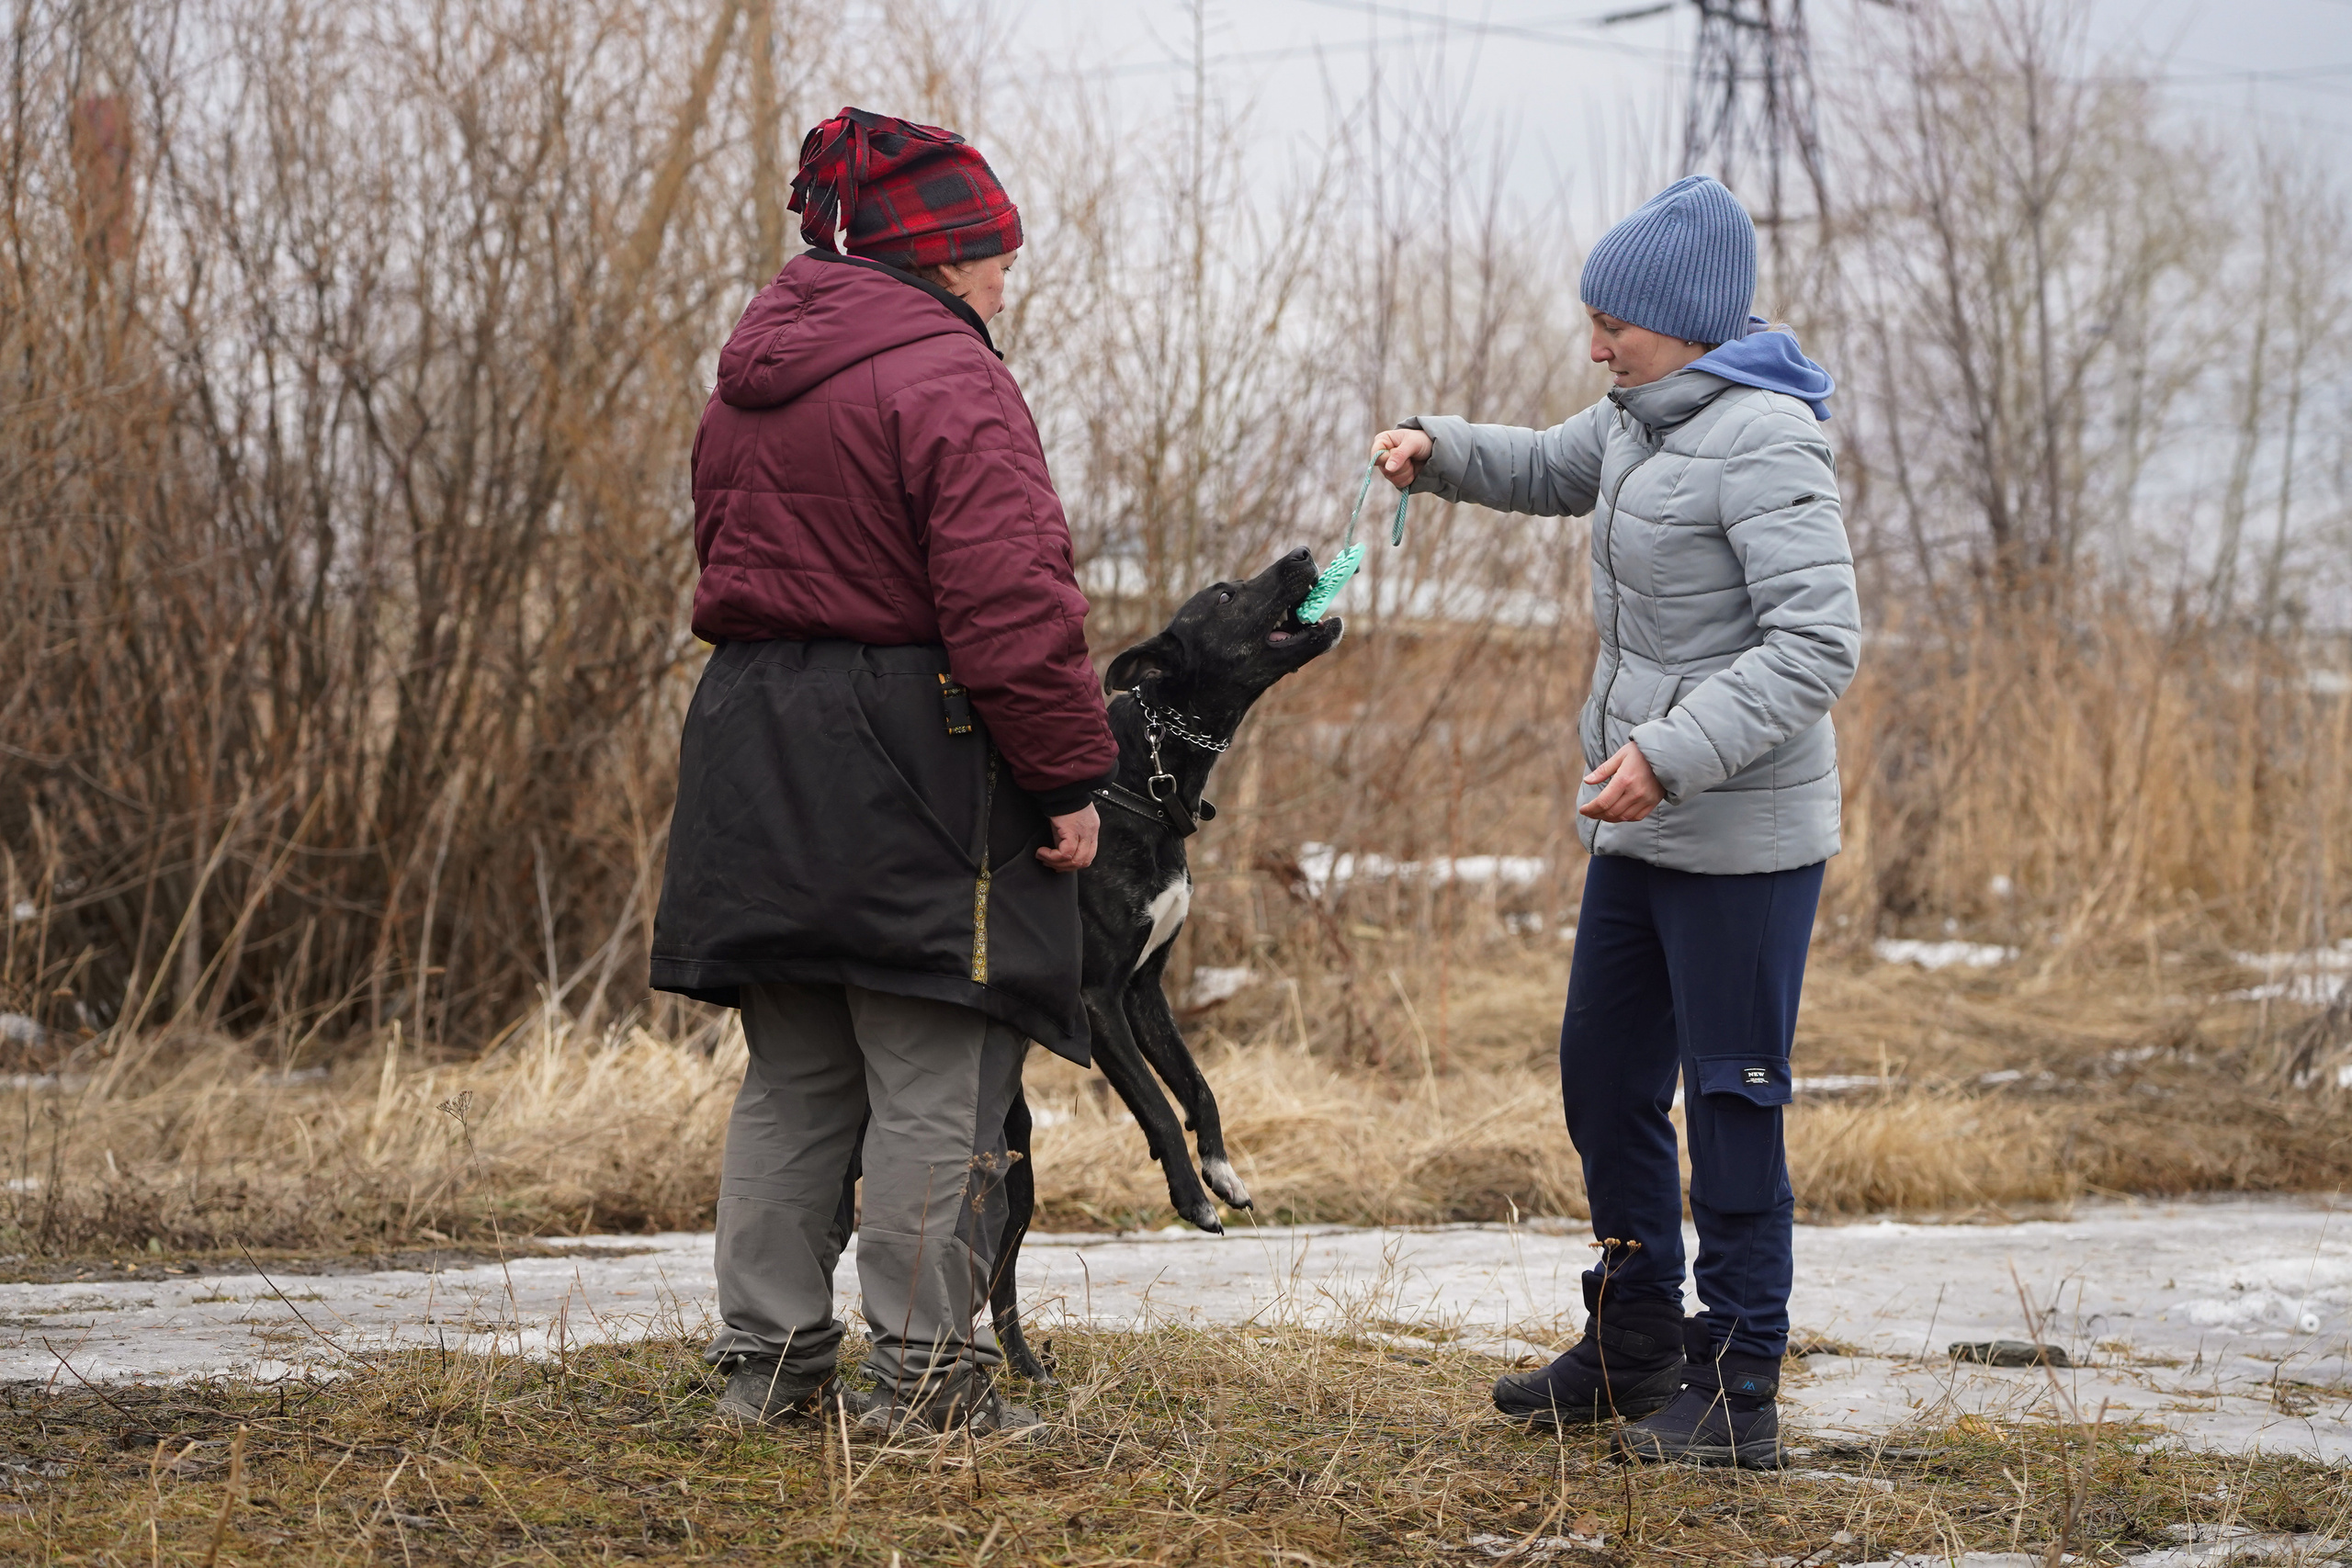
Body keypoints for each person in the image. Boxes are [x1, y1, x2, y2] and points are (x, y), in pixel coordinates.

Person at [1368, 175, 1860, 1468]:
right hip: (1639, 827)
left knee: (1733, 1101)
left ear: (1685, 321)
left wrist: (1671, 753)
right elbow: (1545, 462)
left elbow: (1818, 644)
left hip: (1740, 836)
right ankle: (1635, 1336)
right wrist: (1439, 446)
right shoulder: (1642, 422)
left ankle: (1741, 1383)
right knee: (1604, 1080)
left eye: (1612, 326)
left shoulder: (1765, 439)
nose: (1595, 346)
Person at [649, 107, 1117, 1438]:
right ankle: (923, 1387)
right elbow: (1014, 607)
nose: (1002, 280)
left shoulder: (752, 375)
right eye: (991, 255)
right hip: (912, 745)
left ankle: (768, 1372)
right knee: (933, 1069)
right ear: (938, 256)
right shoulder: (949, 377)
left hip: (751, 736)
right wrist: (1069, 775)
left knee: (795, 1072)